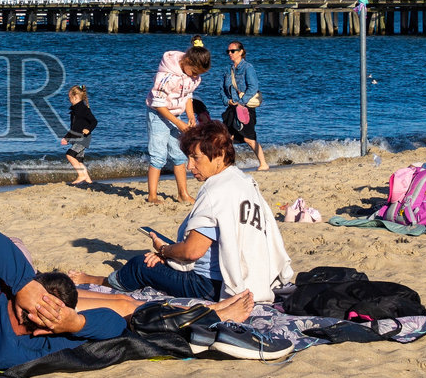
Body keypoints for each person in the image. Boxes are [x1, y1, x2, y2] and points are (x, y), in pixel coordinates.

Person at [0, 166, 139, 369]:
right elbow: (115, 325)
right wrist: (74, 323)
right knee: (122, 305)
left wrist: (25, 286)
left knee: (121, 304)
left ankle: (152, 311)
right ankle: (154, 312)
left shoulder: (20, 345)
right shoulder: (47, 342)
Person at [77, 122, 287, 319]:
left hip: (209, 284)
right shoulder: (244, 181)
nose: (189, 166)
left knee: (140, 265)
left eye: (196, 158)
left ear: (220, 155)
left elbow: (191, 252)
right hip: (250, 275)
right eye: (188, 158)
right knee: (159, 257)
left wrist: (164, 252)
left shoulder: (216, 191)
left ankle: (98, 281)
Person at [145, 45, 211, 205]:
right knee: (158, 155)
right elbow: (158, 104)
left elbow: (188, 96)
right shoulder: (167, 76)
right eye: (194, 72)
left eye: (198, 74)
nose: (195, 76)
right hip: (158, 114)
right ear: (187, 61)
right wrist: (179, 123)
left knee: (179, 154)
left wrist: (190, 115)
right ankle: (152, 196)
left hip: (177, 114)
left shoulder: (192, 76)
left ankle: (183, 194)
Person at [220, 40, 269, 171]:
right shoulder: (227, 70)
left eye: (233, 51)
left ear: (241, 52)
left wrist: (241, 102)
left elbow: (253, 87)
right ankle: (227, 165)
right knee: (227, 138)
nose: (230, 53)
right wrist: (227, 101)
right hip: (231, 108)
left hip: (245, 108)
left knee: (248, 138)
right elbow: (221, 89)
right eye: (228, 51)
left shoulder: (248, 68)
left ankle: (263, 163)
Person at [60, 85, 97, 185]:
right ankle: (88, 181)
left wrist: (88, 129)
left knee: (69, 155)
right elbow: (74, 128)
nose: (69, 100)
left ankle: (81, 175)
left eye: (70, 98)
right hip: (77, 138)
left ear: (75, 96)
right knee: (78, 160)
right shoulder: (75, 110)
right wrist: (66, 138)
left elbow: (94, 121)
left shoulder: (83, 109)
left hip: (83, 138)